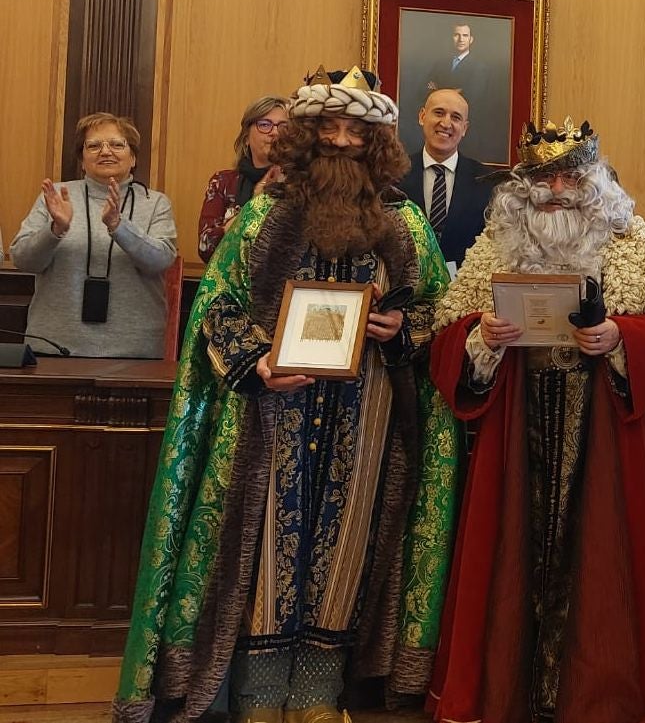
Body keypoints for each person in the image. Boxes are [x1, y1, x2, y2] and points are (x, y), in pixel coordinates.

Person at [112, 66, 458, 723]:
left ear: (376, 140)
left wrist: (400, 326)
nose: (340, 141)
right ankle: (259, 693)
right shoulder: (262, 216)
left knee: (346, 542)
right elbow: (215, 306)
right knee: (268, 546)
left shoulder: (406, 223)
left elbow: (438, 312)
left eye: (355, 131)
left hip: (370, 407)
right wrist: (258, 358)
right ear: (305, 135)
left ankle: (319, 693)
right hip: (272, 410)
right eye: (326, 127)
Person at [426, 118, 645, 723]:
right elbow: (449, 334)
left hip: (605, 429)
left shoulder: (635, 243)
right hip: (519, 424)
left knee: (605, 557)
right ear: (523, 184)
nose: (556, 188)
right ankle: (509, 693)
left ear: (594, 179)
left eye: (570, 175)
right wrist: (482, 337)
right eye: (543, 177)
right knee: (511, 552)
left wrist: (621, 335)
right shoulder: (496, 243)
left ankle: (598, 699)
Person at [10, 113, 177, 359]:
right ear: (82, 159)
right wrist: (55, 230)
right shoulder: (57, 196)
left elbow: (161, 261)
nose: (105, 151)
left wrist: (119, 226)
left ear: (133, 157)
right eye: (94, 145)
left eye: (117, 144)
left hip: (134, 350)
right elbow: (23, 259)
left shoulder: (155, 203)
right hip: (54, 345)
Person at [398, 88, 493, 270]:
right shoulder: (393, 175)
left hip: (463, 292)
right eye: (439, 113)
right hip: (402, 291)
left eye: (456, 117)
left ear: (464, 128)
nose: (446, 123)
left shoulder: (487, 182)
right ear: (422, 116)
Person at [197, 95, 289, 262]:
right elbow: (206, 247)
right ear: (246, 137)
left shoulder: (299, 183)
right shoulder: (223, 182)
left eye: (283, 126)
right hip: (232, 282)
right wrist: (253, 206)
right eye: (265, 125)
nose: (275, 132)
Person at [425, 22, 507, 162]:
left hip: (468, 137)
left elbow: (472, 97)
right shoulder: (440, 64)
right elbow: (426, 89)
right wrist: (456, 91)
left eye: (465, 35)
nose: (461, 39)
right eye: (457, 35)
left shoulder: (480, 68)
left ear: (471, 39)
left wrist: (439, 90)